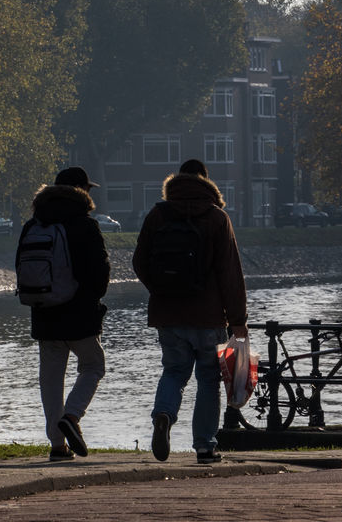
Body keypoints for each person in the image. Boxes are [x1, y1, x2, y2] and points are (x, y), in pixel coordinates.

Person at [132, 158, 248, 465]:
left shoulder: (158, 215)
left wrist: (160, 290)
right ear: (206, 183)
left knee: (174, 371)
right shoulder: (216, 218)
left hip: (167, 315)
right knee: (208, 379)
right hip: (208, 316)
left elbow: (139, 261)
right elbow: (230, 274)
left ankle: (163, 416)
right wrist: (238, 321)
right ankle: (205, 447)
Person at [23, 166, 110, 461]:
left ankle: (57, 446)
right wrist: (91, 300)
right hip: (80, 315)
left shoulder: (34, 224)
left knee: (50, 379)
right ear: (81, 191)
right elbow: (100, 275)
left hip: (44, 315)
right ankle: (71, 417)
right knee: (93, 366)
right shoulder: (84, 225)